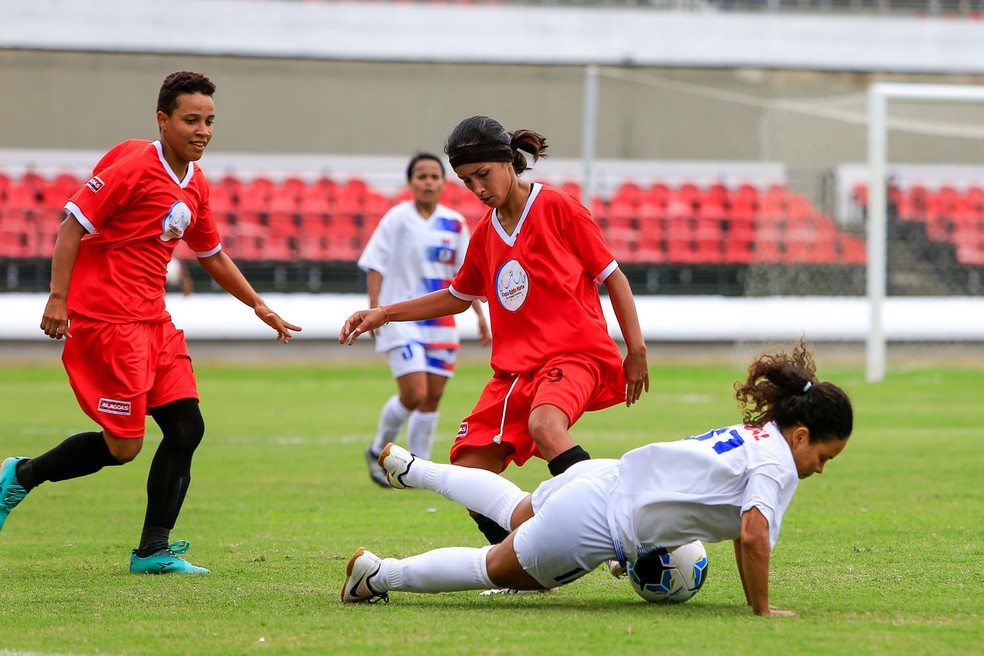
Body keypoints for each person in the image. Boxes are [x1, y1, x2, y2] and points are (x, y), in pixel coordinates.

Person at [0, 71, 301, 574]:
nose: (202, 130)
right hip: (108, 322)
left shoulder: (195, 184)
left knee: (186, 428)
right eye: (191, 120)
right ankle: (21, 475)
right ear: (163, 120)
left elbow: (212, 254)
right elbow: (72, 226)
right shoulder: (135, 167)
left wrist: (258, 304)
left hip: (154, 322)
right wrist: (58, 298)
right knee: (124, 447)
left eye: (209, 121)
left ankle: (153, 551)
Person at [341, 340, 853, 616]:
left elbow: (747, 535)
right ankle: (378, 575)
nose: (818, 470)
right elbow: (755, 535)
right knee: (492, 566)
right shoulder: (778, 463)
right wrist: (762, 611)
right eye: (824, 457)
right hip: (599, 524)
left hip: (601, 476)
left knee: (518, 509)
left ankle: (416, 470)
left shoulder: (754, 435)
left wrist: (752, 600)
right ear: (802, 434)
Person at [340, 115, 649, 545]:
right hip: (514, 374)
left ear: (507, 161)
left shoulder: (558, 208)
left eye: (482, 174)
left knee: (545, 425)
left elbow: (613, 276)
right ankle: (524, 561)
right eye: (467, 181)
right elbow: (457, 294)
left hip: (573, 356)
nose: (478, 189)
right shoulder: (484, 233)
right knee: (468, 472)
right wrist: (385, 312)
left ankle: (617, 534)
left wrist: (635, 349)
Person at [358, 153, 490, 487]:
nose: (428, 182)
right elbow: (376, 263)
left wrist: (480, 315)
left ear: (443, 183)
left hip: (441, 320)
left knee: (432, 398)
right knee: (414, 393)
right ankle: (377, 448)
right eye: (422, 176)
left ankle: (416, 470)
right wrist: (375, 309)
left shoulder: (455, 223)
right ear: (411, 182)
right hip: (399, 318)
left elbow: (466, 275)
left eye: (434, 176)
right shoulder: (397, 219)